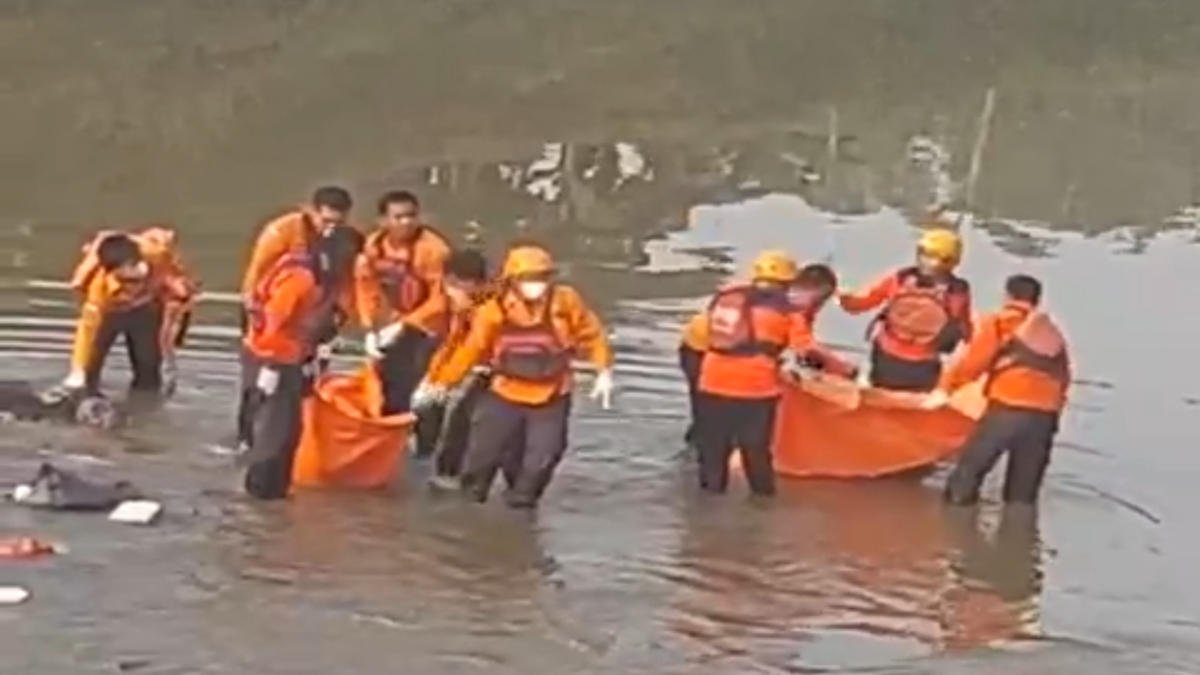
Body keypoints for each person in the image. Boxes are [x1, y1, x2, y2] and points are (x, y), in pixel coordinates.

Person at [418, 244, 614, 508]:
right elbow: (471, 350)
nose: (537, 285)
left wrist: (603, 369)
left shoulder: (565, 301)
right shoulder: (492, 310)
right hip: (504, 392)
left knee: (543, 458)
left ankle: (522, 506)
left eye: (542, 277)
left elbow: (592, 334)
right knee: (481, 456)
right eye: (528, 278)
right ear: (512, 279)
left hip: (552, 394)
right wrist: (441, 384)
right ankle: (466, 512)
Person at [695, 251, 857, 497]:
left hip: (712, 382)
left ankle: (706, 511)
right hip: (755, 389)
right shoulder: (789, 313)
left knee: (713, 452)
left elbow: (706, 335)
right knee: (755, 451)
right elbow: (807, 350)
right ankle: (762, 506)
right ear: (788, 280)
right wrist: (844, 369)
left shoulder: (725, 298)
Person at [921, 274, 1069, 505]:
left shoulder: (998, 323)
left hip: (1007, 409)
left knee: (966, 478)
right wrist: (1053, 414)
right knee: (1022, 496)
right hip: (1044, 417)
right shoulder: (1052, 333)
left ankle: (954, 536)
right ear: (1037, 300)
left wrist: (945, 390)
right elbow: (1064, 377)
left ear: (1007, 296)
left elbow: (973, 363)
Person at [241, 225, 365, 500]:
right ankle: (259, 494)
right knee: (274, 433)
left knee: (290, 432)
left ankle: (277, 493)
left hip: (293, 358)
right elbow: (273, 324)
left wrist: (315, 351)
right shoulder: (300, 280)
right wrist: (272, 367)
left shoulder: (325, 281)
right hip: (272, 359)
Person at [235, 186, 354, 449]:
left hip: (311, 318)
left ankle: (297, 434)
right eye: (326, 220)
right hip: (270, 313)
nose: (330, 228)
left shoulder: (341, 242)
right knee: (258, 382)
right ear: (310, 211)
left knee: (304, 383)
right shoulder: (281, 232)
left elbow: (343, 283)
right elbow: (256, 274)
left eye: (337, 222)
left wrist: (337, 322)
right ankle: (246, 436)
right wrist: (256, 316)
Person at [61, 229, 198, 396]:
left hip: (146, 311)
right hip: (109, 314)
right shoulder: (99, 292)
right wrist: (78, 370)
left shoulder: (158, 257)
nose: (132, 288)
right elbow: (86, 333)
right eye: (124, 282)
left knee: (148, 370)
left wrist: (175, 333)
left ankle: (146, 406)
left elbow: (182, 297)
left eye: (135, 280)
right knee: (88, 370)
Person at [355, 190, 452, 421]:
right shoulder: (374, 246)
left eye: (411, 216)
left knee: (424, 391)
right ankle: (391, 431)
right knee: (388, 383)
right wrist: (369, 327)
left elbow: (442, 299)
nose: (406, 222)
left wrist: (407, 324)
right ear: (383, 221)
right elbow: (366, 287)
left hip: (430, 327)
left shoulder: (434, 250)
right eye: (398, 217)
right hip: (395, 321)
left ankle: (425, 444)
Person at [839, 228, 972, 391]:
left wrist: (843, 297)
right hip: (901, 359)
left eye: (933, 257)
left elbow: (857, 305)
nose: (926, 261)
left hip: (908, 360)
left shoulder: (903, 280)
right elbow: (966, 330)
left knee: (888, 396)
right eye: (924, 254)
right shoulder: (956, 291)